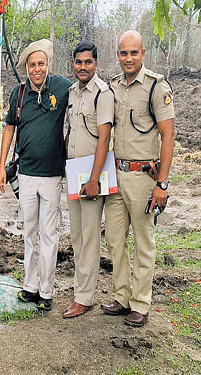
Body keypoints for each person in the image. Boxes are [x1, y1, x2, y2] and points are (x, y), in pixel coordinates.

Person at [101, 30, 174, 327]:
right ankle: (122, 296)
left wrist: (163, 184)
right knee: (115, 240)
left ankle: (140, 303)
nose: (128, 58)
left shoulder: (157, 87)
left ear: (143, 54)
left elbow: (168, 136)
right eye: (123, 53)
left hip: (144, 178)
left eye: (133, 53)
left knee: (144, 242)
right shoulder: (112, 87)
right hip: (116, 175)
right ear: (117, 56)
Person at [0, 39, 72, 311]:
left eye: (41, 63)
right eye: (32, 64)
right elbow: (9, 129)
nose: (37, 68)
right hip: (26, 173)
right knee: (29, 232)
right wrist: (1, 165)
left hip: (52, 175)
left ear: (48, 64)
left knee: (49, 234)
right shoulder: (18, 93)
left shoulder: (63, 88)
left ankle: (46, 292)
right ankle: (29, 287)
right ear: (26, 67)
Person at [63, 41, 113, 319]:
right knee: (76, 235)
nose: (83, 67)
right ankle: (80, 291)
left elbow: (104, 138)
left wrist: (93, 179)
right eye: (78, 62)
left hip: (92, 175)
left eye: (88, 62)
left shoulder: (102, 94)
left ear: (96, 64)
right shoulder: (72, 93)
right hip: (73, 172)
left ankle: (84, 297)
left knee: (90, 237)